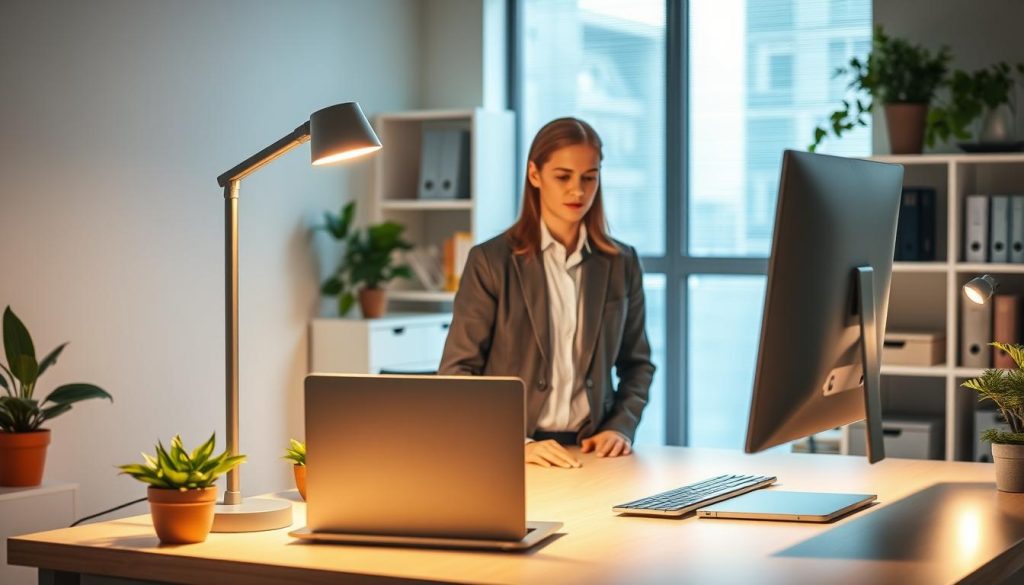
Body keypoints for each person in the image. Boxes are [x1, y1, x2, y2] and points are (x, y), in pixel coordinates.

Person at [438, 117, 655, 469]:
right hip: (513, 454)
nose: (578, 191)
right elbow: (457, 373)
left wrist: (620, 426)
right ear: (535, 174)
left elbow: (638, 364)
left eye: (589, 177)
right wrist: (514, 443)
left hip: (592, 452)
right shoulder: (491, 261)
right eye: (563, 177)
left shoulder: (621, 262)